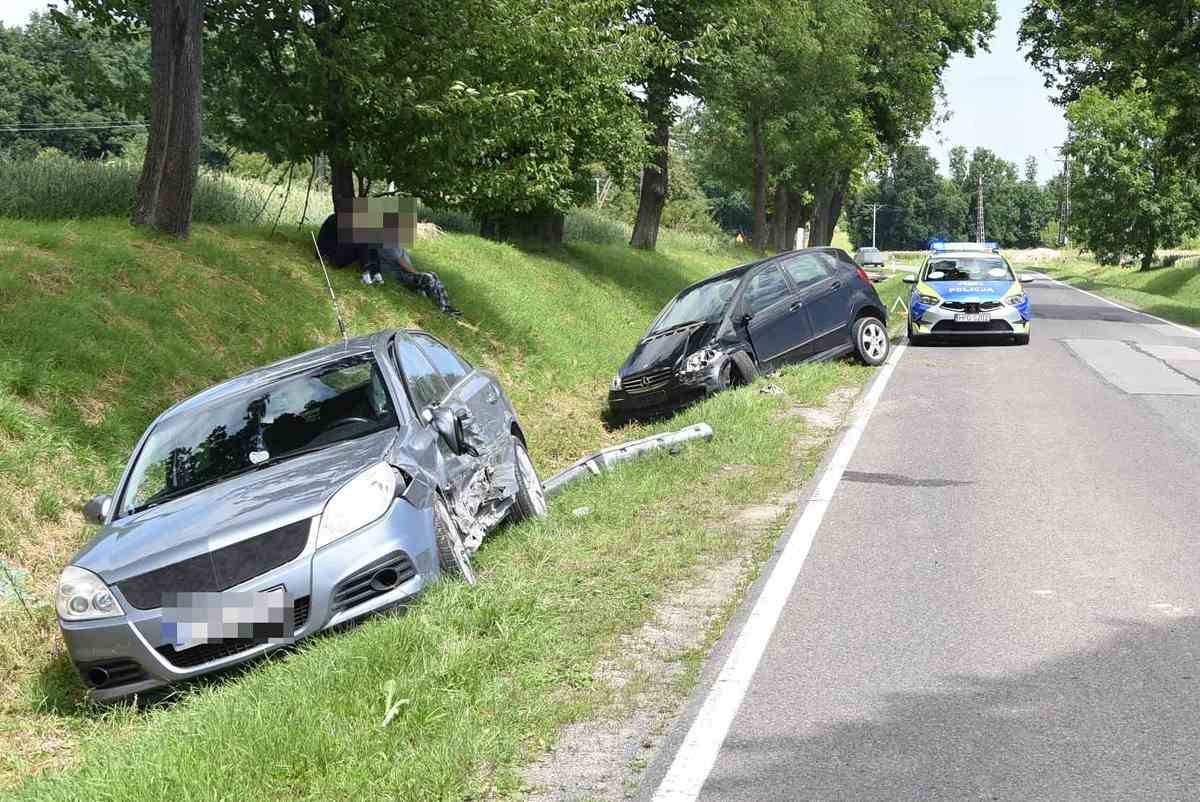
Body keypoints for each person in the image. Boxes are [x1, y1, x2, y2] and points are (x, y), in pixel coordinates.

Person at [314, 198, 459, 316]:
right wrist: (416, 273)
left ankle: (446, 305)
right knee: (427, 277)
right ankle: (370, 275)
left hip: (334, 255)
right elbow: (400, 261)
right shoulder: (382, 238)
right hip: (330, 257)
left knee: (431, 275)